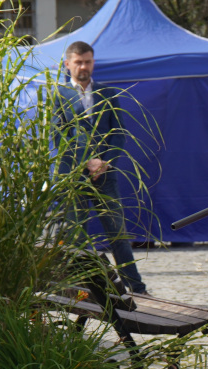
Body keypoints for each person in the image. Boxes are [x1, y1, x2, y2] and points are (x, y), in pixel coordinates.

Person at [55, 41, 148, 294]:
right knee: (75, 235)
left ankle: (136, 287)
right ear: (68, 64)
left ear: (93, 63)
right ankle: (77, 289)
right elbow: (58, 136)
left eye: (87, 62)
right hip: (74, 177)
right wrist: (86, 161)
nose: (83, 67)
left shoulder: (108, 93)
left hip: (105, 175)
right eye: (78, 62)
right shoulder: (59, 95)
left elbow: (119, 132)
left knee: (117, 232)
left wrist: (105, 162)